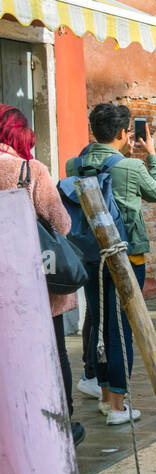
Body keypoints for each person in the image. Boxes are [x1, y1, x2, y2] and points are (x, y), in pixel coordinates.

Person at [71, 103, 156, 425]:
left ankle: (103, 395)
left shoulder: (77, 163)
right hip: (125, 256)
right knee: (121, 329)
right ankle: (118, 405)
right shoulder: (129, 166)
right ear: (123, 133)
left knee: (99, 324)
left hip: (89, 255)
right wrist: (152, 155)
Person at [0, 106, 82, 443]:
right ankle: (59, 425)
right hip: (38, 284)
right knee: (53, 354)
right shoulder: (29, 170)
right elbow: (62, 224)